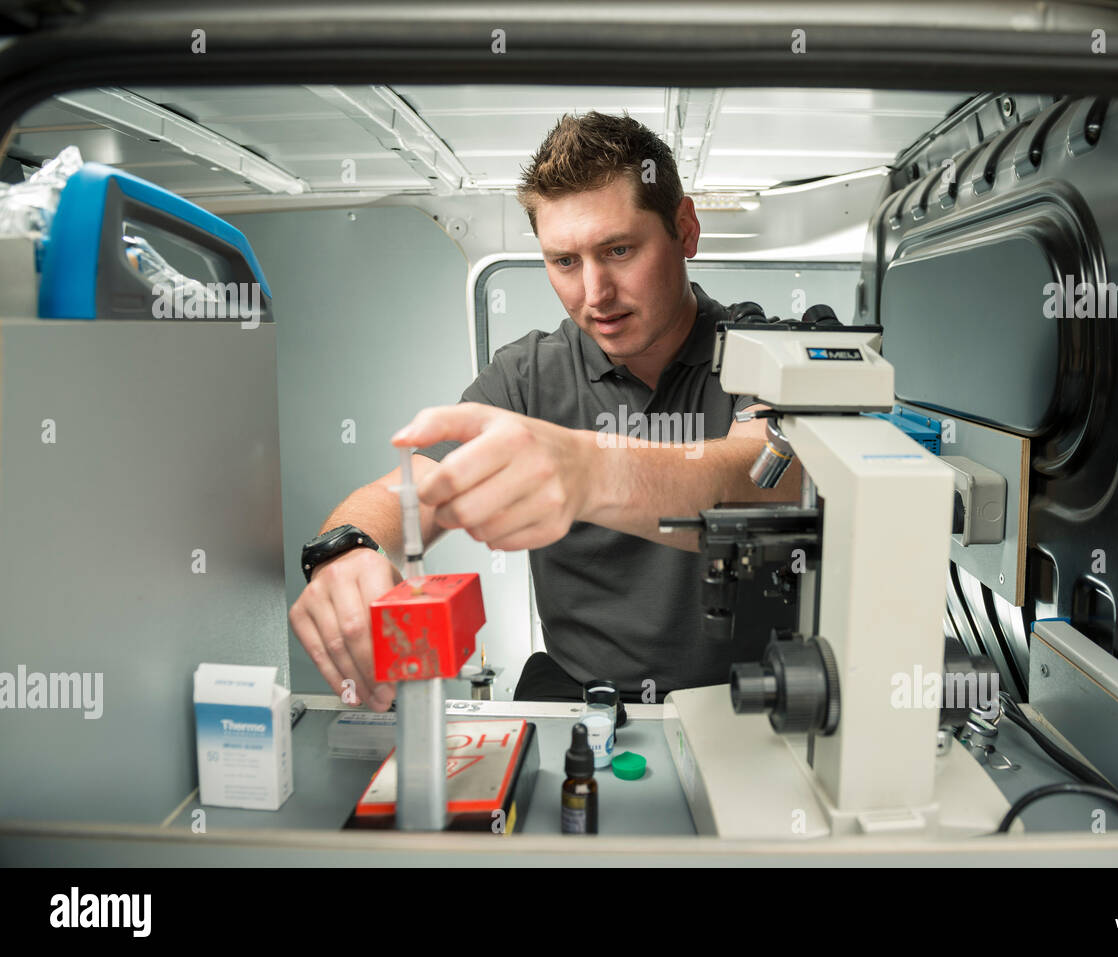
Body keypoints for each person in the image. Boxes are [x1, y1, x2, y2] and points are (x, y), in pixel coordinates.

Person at [290, 111, 801, 710]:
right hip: (582, 698)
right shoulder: (527, 376)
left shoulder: (768, 349)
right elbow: (414, 488)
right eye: (564, 261)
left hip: (750, 702)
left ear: (684, 229)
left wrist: (586, 470)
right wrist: (350, 549)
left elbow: (762, 476)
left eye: (619, 250)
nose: (595, 293)